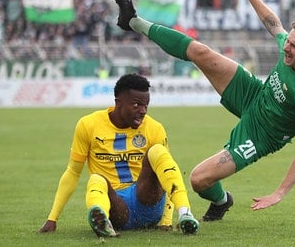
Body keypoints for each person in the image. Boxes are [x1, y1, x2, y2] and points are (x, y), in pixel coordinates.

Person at [113, 0, 295, 221]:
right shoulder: (290, 47)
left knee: (198, 179)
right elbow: (274, 23)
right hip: (253, 95)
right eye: (288, 41)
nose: (286, 47)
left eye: (293, 46)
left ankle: (222, 200)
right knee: (201, 52)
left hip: (261, 135)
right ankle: (133, 21)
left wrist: (279, 193)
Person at [38, 73, 199, 238]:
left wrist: (166, 221)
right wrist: (52, 218)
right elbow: (73, 172)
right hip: (116, 208)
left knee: (158, 151)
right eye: (136, 105)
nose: (142, 111)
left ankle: (185, 213)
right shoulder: (88, 125)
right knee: (96, 179)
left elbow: (167, 172)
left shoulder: (154, 128)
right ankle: (102, 220)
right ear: (118, 103)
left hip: (146, 202)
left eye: (146, 105)